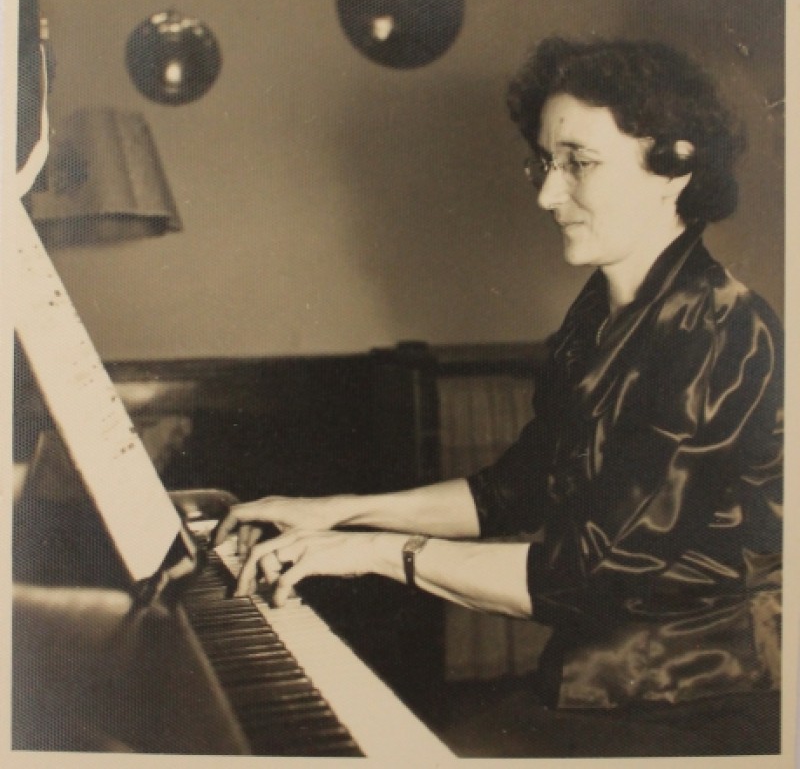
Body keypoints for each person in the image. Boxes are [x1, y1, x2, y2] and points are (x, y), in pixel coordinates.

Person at [215, 37, 783, 757]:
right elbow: (510, 491)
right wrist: (331, 511)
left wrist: (362, 551)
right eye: (545, 163)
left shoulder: (719, 330)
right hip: (600, 683)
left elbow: (583, 573)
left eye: (579, 163)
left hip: (708, 703)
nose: (547, 195)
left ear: (674, 168)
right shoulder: (599, 313)